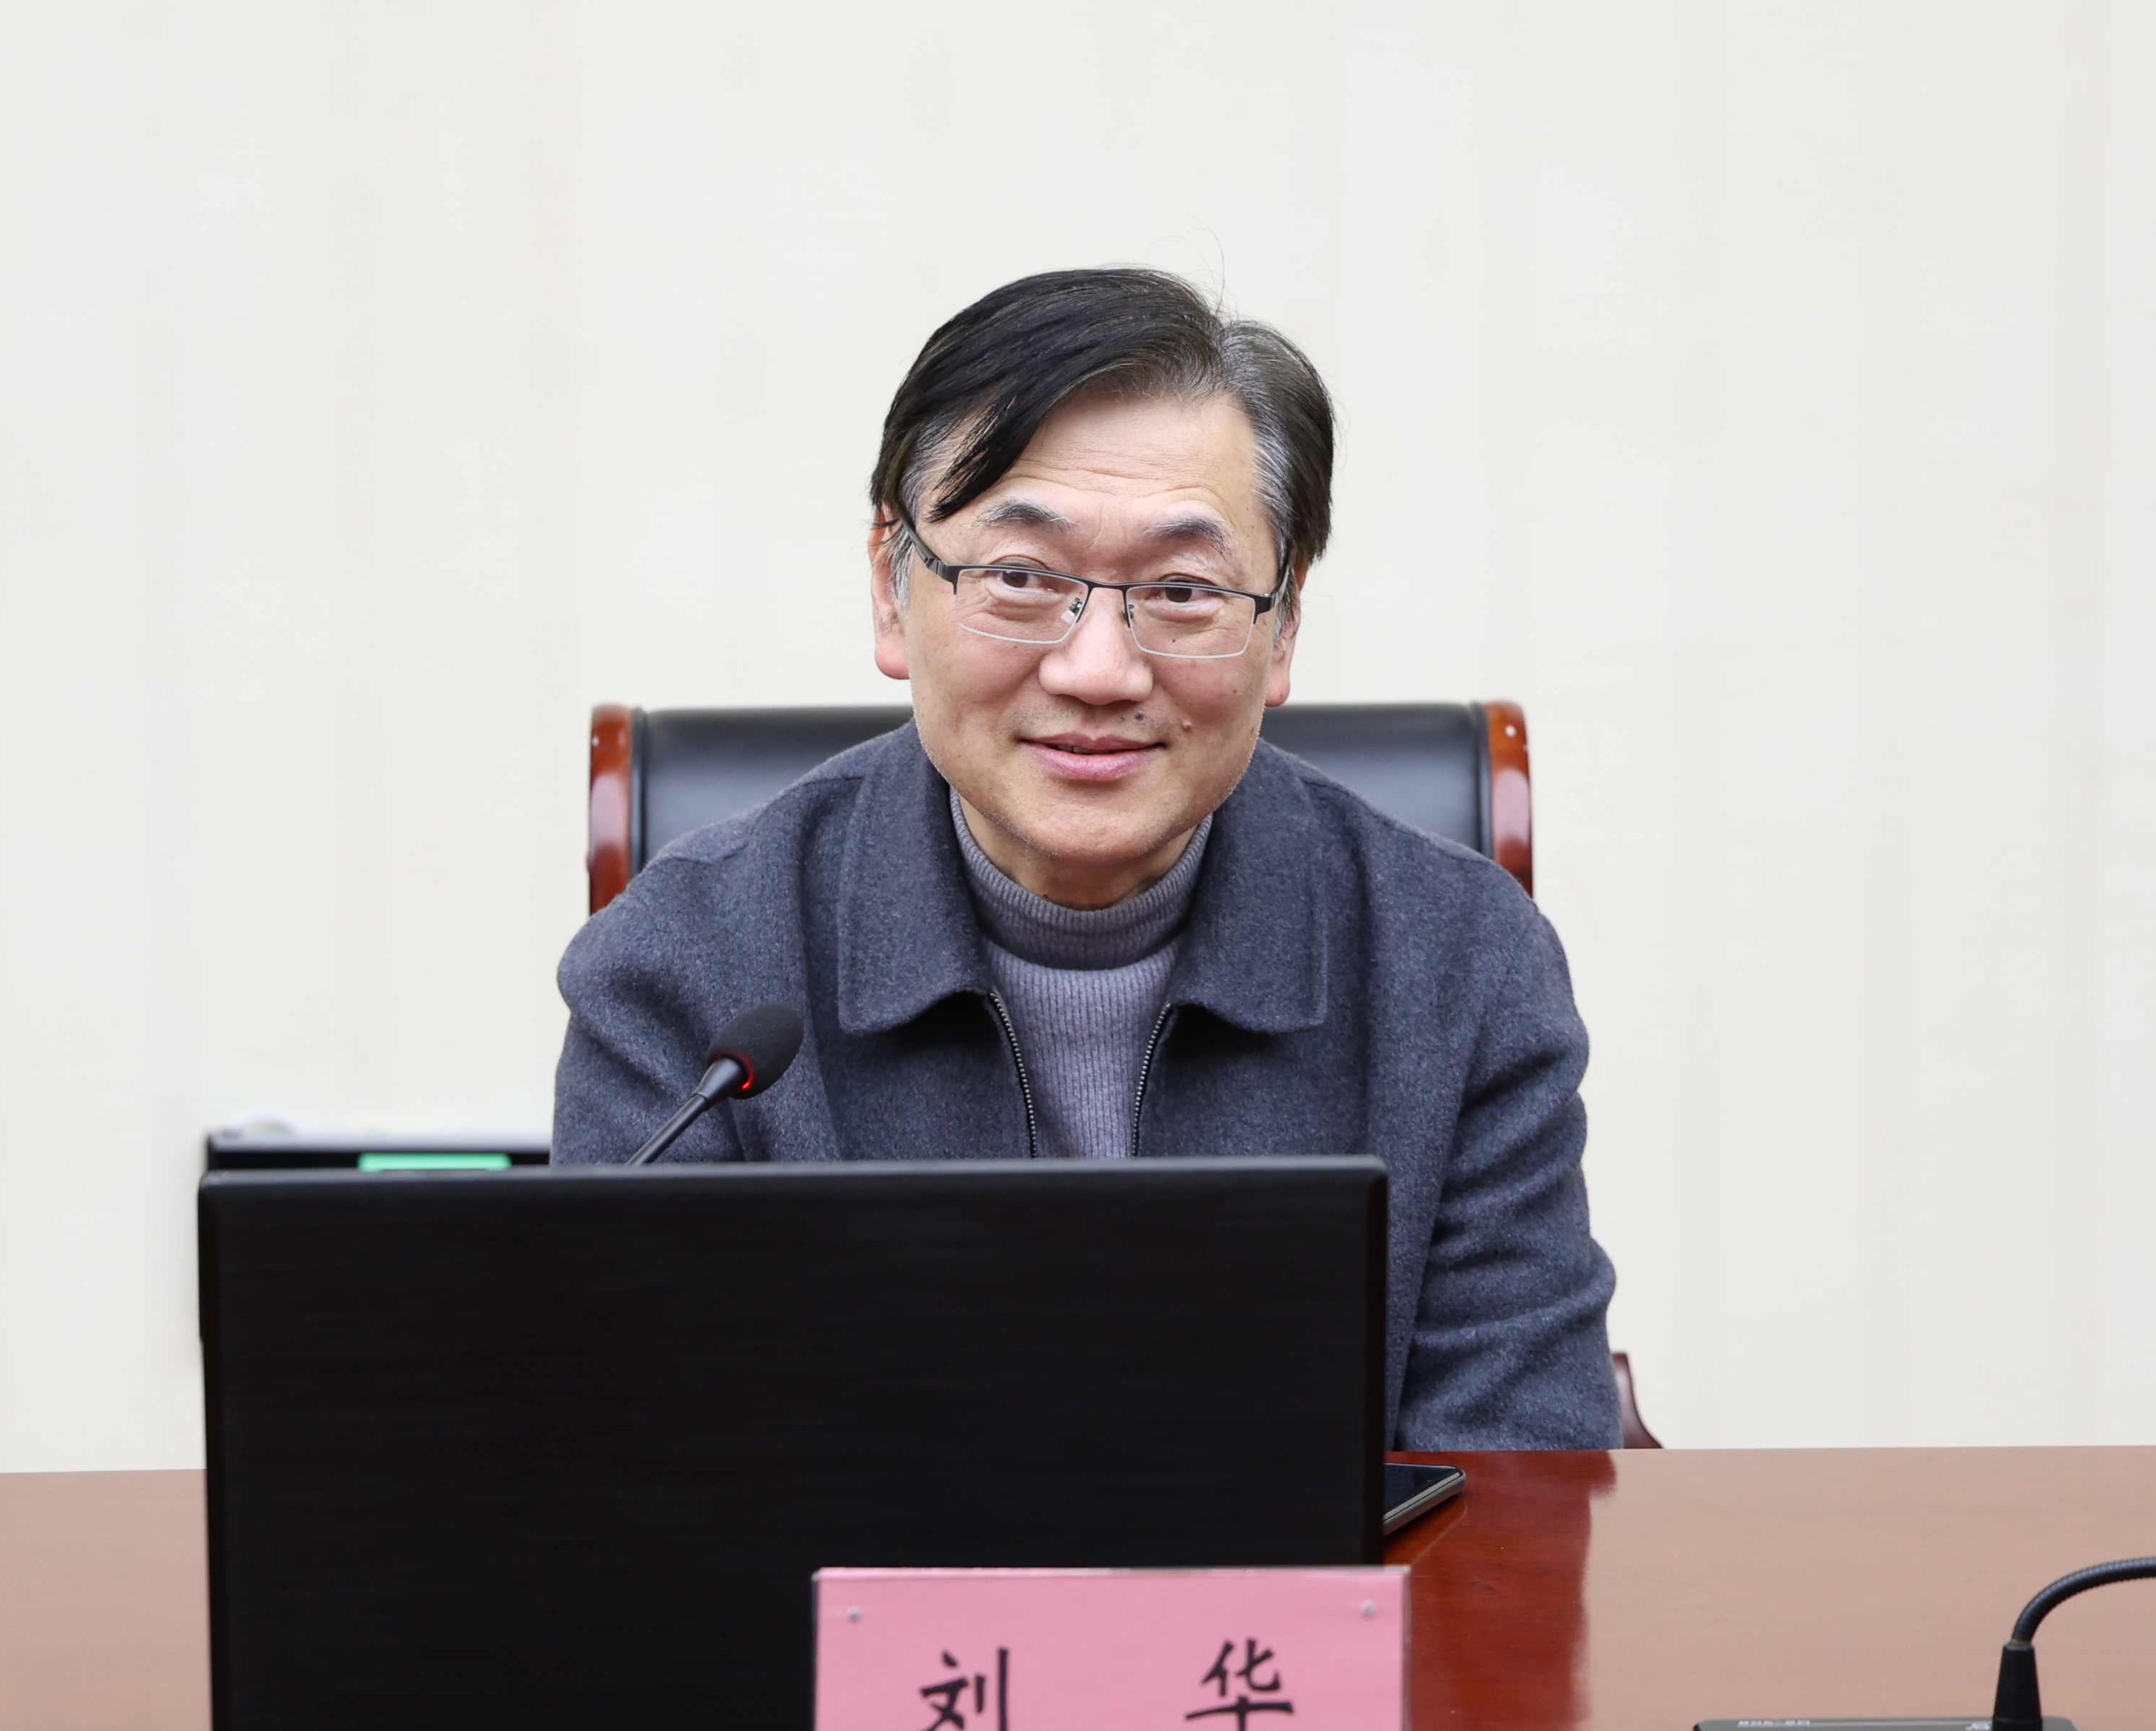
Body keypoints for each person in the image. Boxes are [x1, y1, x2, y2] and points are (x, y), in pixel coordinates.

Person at [554, 268, 1619, 1451]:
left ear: (1282, 627)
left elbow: (1518, 1491)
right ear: (891, 593)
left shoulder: (1462, 966)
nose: (1099, 669)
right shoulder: (685, 967)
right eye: (1020, 578)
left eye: (1183, 590)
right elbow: (631, 1466)